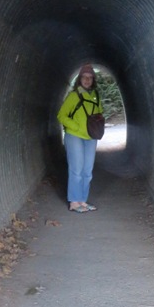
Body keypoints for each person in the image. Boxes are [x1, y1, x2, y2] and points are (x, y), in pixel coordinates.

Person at [57, 64, 104, 213]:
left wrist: (97, 128)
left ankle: (82, 201)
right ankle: (74, 202)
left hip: (91, 137)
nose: (87, 80)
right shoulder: (74, 96)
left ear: (93, 80)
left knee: (87, 171)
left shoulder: (95, 96)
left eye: (90, 78)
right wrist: (76, 127)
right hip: (74, 136)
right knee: (76, 170)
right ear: (80, 79)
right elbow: (61, 116)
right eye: (84, 77)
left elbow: (100, 114)